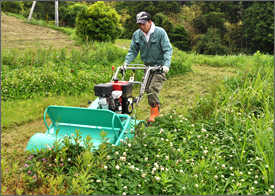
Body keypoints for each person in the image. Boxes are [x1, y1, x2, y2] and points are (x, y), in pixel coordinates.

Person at [123, 11, 173, 123]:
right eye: (139, 24)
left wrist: (166, 65)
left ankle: (155, 114)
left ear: (150, 22)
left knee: (152, 89)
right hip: (147, 66)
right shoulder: (137, 34)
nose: (141, 26)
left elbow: (167, 49)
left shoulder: (160, 33)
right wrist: (126, 62)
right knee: (145, 89)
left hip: (160, 66)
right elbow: (133, 50)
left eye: (143, 23)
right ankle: (154, 110)